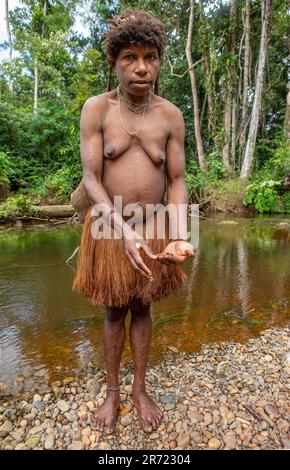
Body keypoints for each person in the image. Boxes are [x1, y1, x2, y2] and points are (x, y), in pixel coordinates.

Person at [72, 10, 194, 434]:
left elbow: (177, 181)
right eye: (129, 57)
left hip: (156, 224)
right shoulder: (96, 110)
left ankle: (140, 388)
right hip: (109, 225)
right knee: (113, 310)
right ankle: (111, 391)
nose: (141, 67)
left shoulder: (171, 115)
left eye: (150, 56)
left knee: (142, 308)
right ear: (114, 62)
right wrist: (122, 232)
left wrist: (179, 235)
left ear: (159, 60)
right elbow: (91, 178)